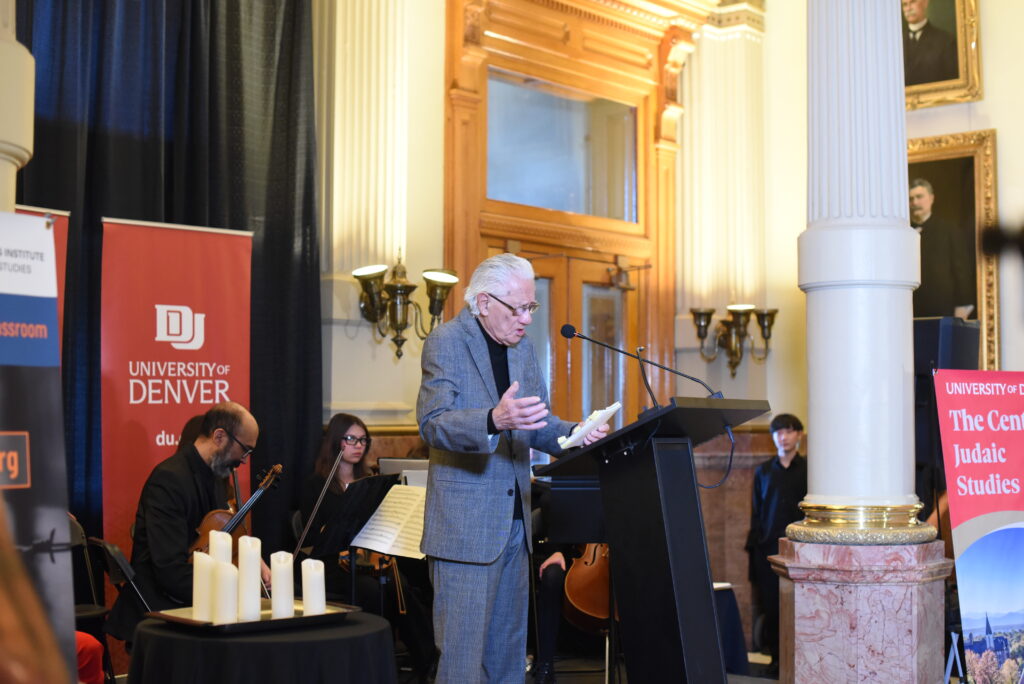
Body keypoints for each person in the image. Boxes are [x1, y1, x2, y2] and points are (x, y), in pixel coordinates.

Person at [417, 252, 609, 683]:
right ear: (484, 302)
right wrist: (492, 419)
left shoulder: (520, 350)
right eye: (517, 308)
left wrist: (578, 433)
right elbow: (433, 425)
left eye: (531, 308)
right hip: (464, 532)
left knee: (507, 661)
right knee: (463, 664)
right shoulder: (446, 342)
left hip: (515, 527)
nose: (525, 319)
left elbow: (537, 423)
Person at [106, 401, 270, 642]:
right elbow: (170, 571)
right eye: (244, 450)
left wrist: (252, 559)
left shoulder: (215, 477)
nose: (244, 460)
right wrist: (234, 590)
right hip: (164, 605)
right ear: (219, 436)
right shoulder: (169, 480)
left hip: (197, 594)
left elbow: (218, 542)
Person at [299, 412, 436, 680]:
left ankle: (426, 659)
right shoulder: (316, 484)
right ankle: (375, 661)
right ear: (335, 442)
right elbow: (314, 536)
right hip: (330, 563)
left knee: (402, 583)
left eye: (363, 440)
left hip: (365, 560)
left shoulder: (371, 483)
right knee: (373, 590)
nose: (358, 445)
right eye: (350, 439)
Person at [746, 413, 807, 674]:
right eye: (779, 432)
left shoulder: (809, 470)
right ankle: (776, 661)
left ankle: (800, 660)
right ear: (773, 437)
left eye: (789, 431)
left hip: (800, 549)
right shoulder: (763, 470)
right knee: (772, 608)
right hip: (769, 549)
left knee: (802, 608)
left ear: (799, 435)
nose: (784, 436)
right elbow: (757, 512)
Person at [909, 178, 976, 318]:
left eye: (919, 197)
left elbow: (961, 270)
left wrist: (963, 305)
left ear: (931, 198)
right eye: (911, 198)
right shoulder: (904, 231)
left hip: (942, 308)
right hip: (910, 307)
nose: (915, 202)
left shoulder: (949, 230)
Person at [902, 0, 957, 86]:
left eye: (913, 2)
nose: (908, 8)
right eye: (905, 4)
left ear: (925, 3)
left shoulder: (945, 41)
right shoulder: (895, 44)